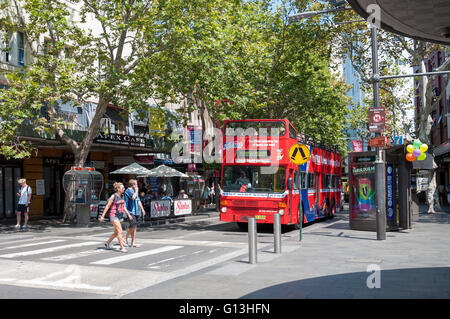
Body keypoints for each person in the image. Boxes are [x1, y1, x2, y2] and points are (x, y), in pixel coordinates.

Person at [99, 182, 133, 253]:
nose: (124, 189)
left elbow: (124, 206)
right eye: (122, 188)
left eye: (124, 187)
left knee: (116, 232)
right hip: (113, 215)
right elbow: (107, 206)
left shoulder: (122, 196)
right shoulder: (113, 196)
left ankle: (107, 243)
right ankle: (121, 247)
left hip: (119, 216)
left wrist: (128, 214)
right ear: (118, 189)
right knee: (120, 231)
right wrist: (102, 216)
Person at [124, 179, 146, 248]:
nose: (137, 185)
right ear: (133, 185)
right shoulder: (128, 191)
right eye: (136, 184)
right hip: (130, 211)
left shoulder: (134, 191)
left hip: (137, 211)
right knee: (132, 226)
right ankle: (125, 238)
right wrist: (136, 191)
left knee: (135, 227)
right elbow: (133, 197)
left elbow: (138, 200)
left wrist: (142, 209)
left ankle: (132, 243)